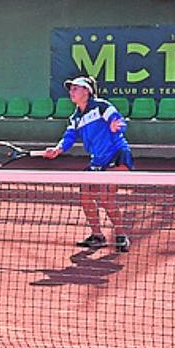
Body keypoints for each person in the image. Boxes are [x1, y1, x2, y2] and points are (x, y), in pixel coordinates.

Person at [42, 74, 132, 252]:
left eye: (75, 88)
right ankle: (97, 236)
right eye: (70, 89)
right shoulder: (75, 118)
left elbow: (118, 120)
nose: (71, 92)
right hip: (97, 160)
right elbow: (68, 138)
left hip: (117, 155)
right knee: (84, 195)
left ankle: (121, 235)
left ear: (87, 91)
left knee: (106, 198)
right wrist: (57, 149)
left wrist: (117, 126)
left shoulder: (101, 107)